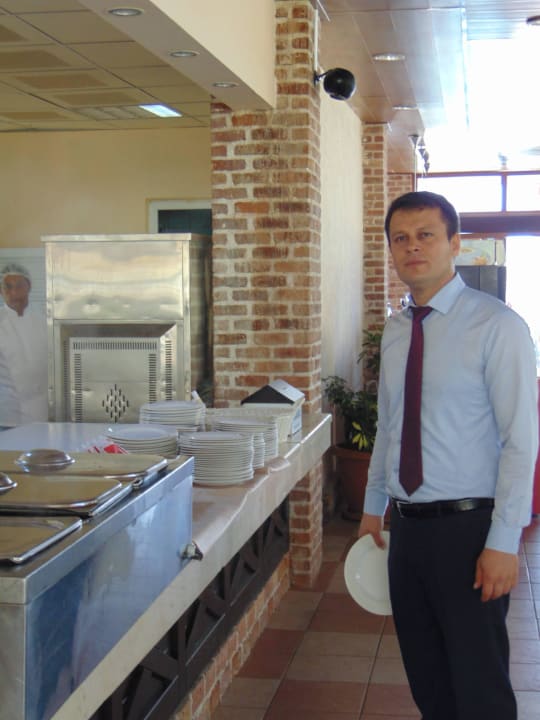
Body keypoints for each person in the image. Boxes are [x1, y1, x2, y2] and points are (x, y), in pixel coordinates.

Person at [359, 191, 539, 720]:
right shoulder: (396, 331)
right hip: (407, 532)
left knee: (480, 688)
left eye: (426, 235)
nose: (412, 247)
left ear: (455, 243)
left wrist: (503, 542)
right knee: (429, 681)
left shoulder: (498, 326)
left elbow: (521, 440)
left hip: (470, 532)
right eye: (401, 238)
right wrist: (373, 505)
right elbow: (389, 424)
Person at [0, 262, 48, 427]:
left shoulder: (44, 318)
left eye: (19, 286)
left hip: (44, 412)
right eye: (7, 287)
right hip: (7, 413)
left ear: (29, 287)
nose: (14, 292)